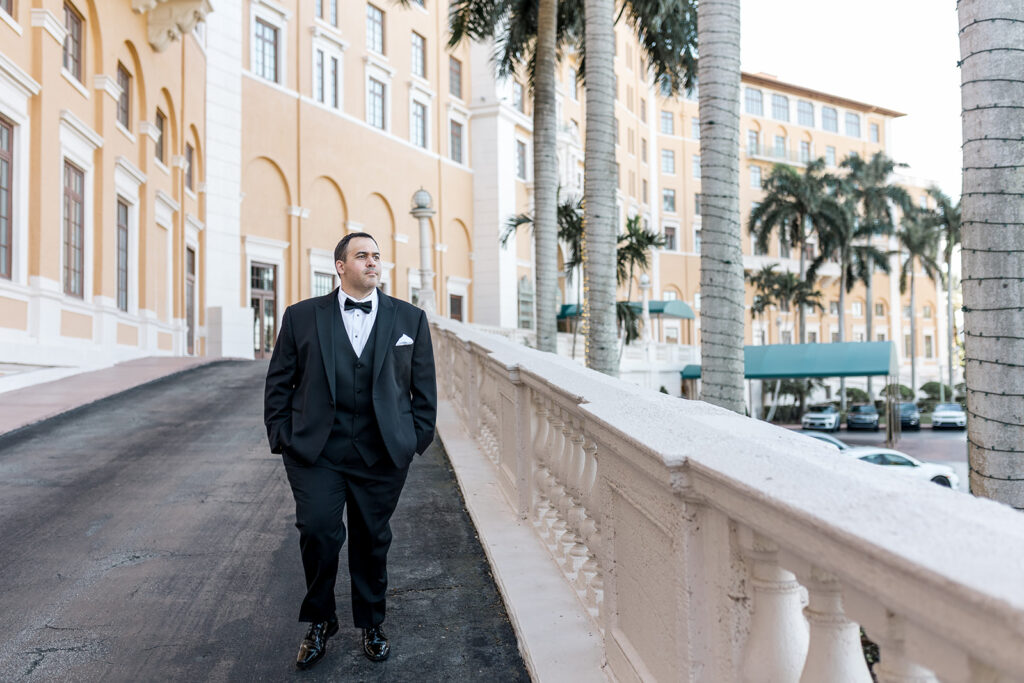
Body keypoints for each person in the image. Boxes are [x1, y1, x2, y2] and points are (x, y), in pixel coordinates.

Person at [264, 232, 437, 670]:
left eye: (376, 256)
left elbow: (424, 390)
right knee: (319, 533)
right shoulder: (302, 317)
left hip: (381, 454)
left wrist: (414, 439)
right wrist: (283, 435)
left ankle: (372, 622)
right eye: (362, 256)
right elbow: (279, 383)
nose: (372, 263)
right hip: (316, 452)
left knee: (372, 541)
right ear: (340, 266)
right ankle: (320, 620)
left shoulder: (410, 319)